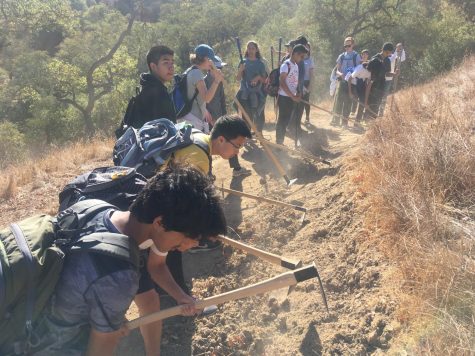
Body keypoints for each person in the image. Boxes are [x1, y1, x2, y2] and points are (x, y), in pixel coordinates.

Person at [29, 165, 227, 356]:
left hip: (36, 307)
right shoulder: (118, 274)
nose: (188, 246)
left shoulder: (99, 208)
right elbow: (100, 348)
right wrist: (108, 328)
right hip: (47, 342)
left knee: (146, 302)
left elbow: (156, 266)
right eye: (187, 238)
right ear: (160, 223)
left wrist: (181, 296)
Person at [162, 115, 252, 297]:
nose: (238, 152)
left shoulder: (201, 140)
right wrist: (199, 232)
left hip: (164, 192)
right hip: (159, 200)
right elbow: (187, 203)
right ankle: (175, 295)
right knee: (171, 238)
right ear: (221, 139)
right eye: (237, 146)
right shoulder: (198, 158)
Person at [205, 57, 252, 178]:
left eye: (221, 68)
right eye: (218, 68)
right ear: (210, 69)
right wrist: (216, 121)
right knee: (209, 146)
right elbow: (209, 102)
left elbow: (221, 101)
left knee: (232, 140)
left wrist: (224, 118)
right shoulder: (207, 82)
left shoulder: (218, 81)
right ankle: (208, 173)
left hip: (219, 118)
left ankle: (236, 168)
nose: (221, 70)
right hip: (208, 120)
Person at [178, 44, 224, 134]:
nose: (212, 63)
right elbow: (207, 98)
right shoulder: (197, 73)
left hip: (186, 118)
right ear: (206, 59)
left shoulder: (189, 71)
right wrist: (217, 81)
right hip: (193, 121)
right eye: (211, 60)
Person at [129, 45, 177, 129]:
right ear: (153, 66)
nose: (171, 67)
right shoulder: (157, 93)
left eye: (172, 63)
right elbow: (166, 133)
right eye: (165, 63)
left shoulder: (146, 86)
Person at [275, 44, 308, 145]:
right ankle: (279, 143)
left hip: (291, 98)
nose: (302, 59)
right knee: (282, 120)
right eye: (301, 56)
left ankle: (281, 142)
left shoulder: (296, 66)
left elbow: (295, 81)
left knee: (286, 121)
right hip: (284, 98)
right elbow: (282, 83)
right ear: (294, 53)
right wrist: (293, 96)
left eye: (303, 57)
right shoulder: (286, 65)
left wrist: (298, 92)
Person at [236, 41, 268, 134]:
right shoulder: (243, 62)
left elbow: (265, 80)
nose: (250, 50)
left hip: (258, 93)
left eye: (253, 48)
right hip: (245, 93)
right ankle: (246, 135)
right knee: (246, 116)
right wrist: (241, 70)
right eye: (249, 48)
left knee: (259, 115)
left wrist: (258, 78)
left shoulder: (260, 64)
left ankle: (260, 134)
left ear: (257, 50)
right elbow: (238, 79)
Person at [332, 37, 362, 127]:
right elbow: (337, 70)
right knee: (339, 102)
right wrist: (341, 74)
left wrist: (351, 75)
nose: (347, 47)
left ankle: (344, 122)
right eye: (345, 45)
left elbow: (359, 68)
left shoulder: (356, 56)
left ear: (353, 45)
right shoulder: (341, 56)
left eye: (348, 45)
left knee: (348, 102)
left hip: (352, 83)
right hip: (342, 82)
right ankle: (336, 121)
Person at [365, 42, 395, 119]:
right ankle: (368, 122)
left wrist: (394, 74)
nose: (390, 54)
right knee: (371, 105)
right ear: (386, 51)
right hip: (373, 86)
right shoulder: (375, 59)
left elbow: (386, 74)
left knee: (377, 105)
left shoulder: (387, 60)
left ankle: (373, 123)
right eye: (390, 52)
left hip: (381, 86)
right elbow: (369, 72)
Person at [379, 42, 406, 116]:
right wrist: (396, 52)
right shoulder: (389, 56)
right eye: (397, 47)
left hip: (389, 78)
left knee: (384, 95)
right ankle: (375, 111)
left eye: (400, 47)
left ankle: (380, 112)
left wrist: (402, 50)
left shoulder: (395, 55)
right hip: (381, 78)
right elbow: (393, 58)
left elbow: (402, 58)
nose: (398, 49)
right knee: (379, 95)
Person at [348, 49, 370, 126]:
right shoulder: (359, 65)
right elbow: (351, 78)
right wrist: (350, 92)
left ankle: (357, 122)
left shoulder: (369, 66)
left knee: (362, 103)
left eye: (366, 54)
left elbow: (367, 80)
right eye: (363, 54)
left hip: (363, 84)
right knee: (353, 101)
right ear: (361, 55)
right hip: (355, 83)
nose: (364, 56)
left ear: (368, 56)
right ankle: (349, 116)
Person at [303, 43, 315, 124]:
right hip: (298, 82)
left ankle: (307, 117)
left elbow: (312, 74)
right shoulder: (299, 58)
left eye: (307, 47)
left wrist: (310, 85)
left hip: (307, 82)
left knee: (306, 100)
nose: (306, 49)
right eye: (304, 47)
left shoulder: (310, 59)